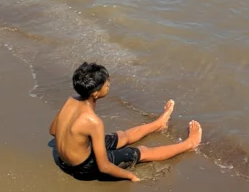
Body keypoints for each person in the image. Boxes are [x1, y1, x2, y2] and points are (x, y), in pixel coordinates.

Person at [50, 62, 203, 181]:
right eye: (107, 84)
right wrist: (130, 176)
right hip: (83, 168)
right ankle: (189, 144)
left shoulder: (70, 101)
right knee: (141, 151)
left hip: (65, 161)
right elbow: (103, 167)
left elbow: (53, 131)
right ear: (96, 93)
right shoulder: (93, 121)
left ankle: (158, 124)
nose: (109, 84)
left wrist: (77, 140)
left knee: (122, 136)